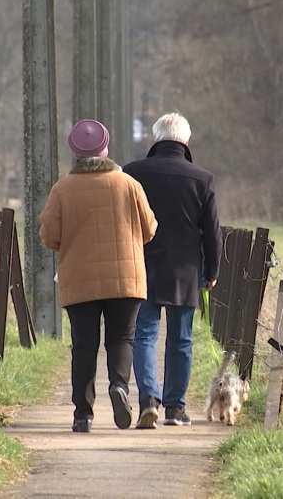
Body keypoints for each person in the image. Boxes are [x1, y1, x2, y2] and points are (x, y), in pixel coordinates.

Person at [39, 119, 158, 433]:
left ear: (75, 154)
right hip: (126, 277)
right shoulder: (129, 184)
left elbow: (49, 236)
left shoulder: (62, 189)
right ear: (106, 151)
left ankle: (83, 414)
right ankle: (119, 386)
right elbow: (149, 229)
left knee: (84, 345)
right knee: (121, 339)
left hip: (80, 279)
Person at [123, 112, 222, 428]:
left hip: (141, 265)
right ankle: (175, 408)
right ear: (186, 141)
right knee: (180, 339)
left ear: (155, 139)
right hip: (185, 270)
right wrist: (212, 270)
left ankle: (148, 400)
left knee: (144, 334)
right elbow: (212, 231)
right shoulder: (201, 178)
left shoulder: (133, 173)